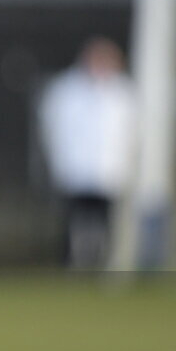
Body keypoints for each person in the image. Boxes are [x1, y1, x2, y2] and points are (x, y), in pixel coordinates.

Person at [38, 37, 136, 269]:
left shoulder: (124, 93)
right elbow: (52, 127)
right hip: (74, 167)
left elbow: (132, 132)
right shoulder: (65, 89)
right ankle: (70, 263)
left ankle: (103, 263)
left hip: (109, 169)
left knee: (105, 220)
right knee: (73, 219)